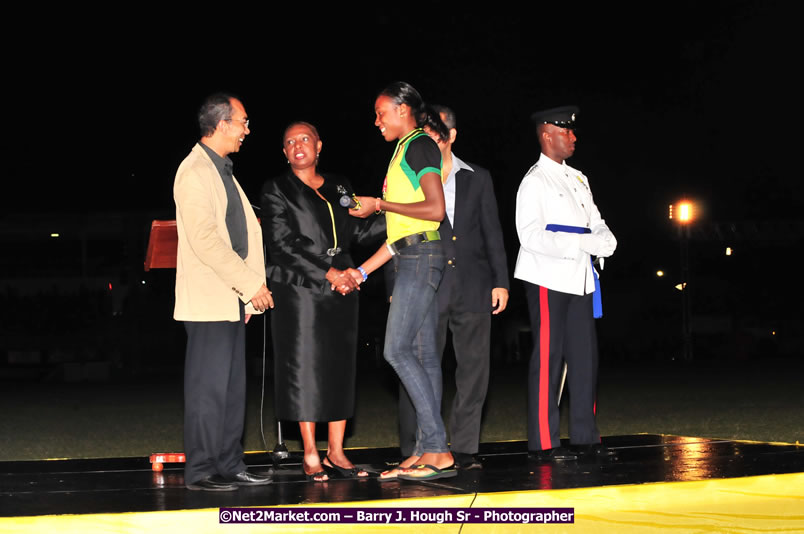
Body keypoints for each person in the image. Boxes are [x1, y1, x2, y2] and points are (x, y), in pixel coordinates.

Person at [261, 121, 385, 482]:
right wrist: (329, 273)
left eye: (304, 139)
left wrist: (393, 213)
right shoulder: (276, 189)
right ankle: (311, 453)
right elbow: (282, 245)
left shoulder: (339, 185)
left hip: (344, 287)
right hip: (301, 290)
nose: (298, 145)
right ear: (284, 153)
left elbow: (358, 230)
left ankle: (336, 451)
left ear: (318, 145)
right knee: (304, 368)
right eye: (289, 142)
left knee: (340, 366)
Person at [348, 82, 455, 481]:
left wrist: (380, 204)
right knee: (424, 356)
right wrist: (362, 271)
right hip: (411, 253)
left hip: (422, 258)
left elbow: (435, 210)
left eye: (381, 112)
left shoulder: (419, 146)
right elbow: (400, 235)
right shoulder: (401, 151)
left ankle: (438, 450)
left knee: (395, 350)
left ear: (404, 109)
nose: (376, 121)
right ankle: (425, 449)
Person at [398, 104, 510, 469]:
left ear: (452, 135)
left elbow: (493, 232)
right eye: (425, 132)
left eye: (437, 132)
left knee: (474, 371)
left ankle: (463, 449)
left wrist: (501, 282)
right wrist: (393, 285)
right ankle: (418, 447)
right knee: (418, 365)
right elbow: (397, 234)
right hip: (425, 283)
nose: (430, 138)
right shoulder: (412, 177)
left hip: (474, 286)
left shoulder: (479, 176)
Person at [174, 92, 274, 491]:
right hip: (208, 301)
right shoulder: (195, 171)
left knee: (232, 390)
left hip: (230, 298)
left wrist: (247, 296)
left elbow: (242, 237)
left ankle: (230, 464)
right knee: (207, 391)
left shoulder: (223, 171)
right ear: (222, 124)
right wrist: (253, 285)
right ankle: (200, 471)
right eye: (243, 122)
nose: (247, 130)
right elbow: (207, 241)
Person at [514, 105, 617, 462]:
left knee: (585, 357)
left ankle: (587, 439)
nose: (573, 137)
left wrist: (604, 239)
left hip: (581, 279)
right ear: (547, 135)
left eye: (573, 131)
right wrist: (579, 243)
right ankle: (544, 443)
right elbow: (529, 235)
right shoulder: (534, 181)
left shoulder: (579, 178)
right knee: (549, 358)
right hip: (547, 276)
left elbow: (596, 220)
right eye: (566, 131)